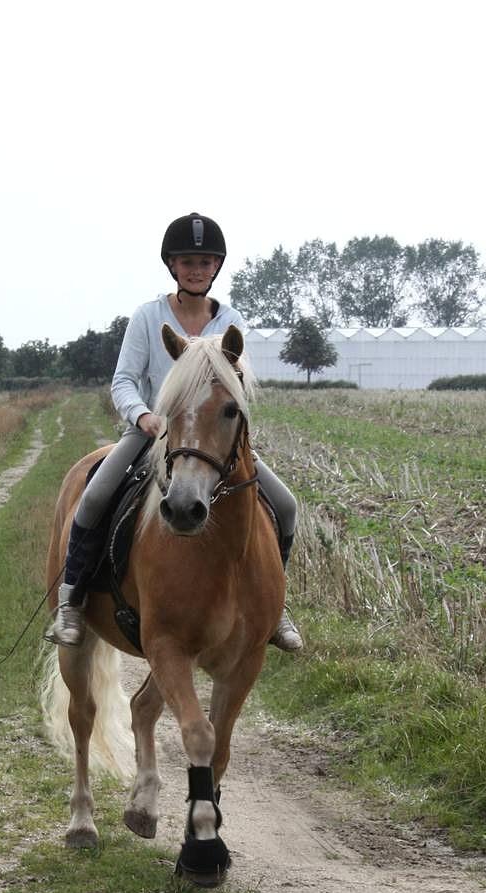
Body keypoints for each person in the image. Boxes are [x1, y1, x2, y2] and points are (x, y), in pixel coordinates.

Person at [50, 212, 303, 652]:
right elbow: (124, 379)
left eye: (205, 262)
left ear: (216, 267)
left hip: (212, 439)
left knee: (286, 504)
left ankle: (274, 608)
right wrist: (143, 415)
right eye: (187, 262)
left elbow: (238, 385)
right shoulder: (148, 317)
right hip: (153, 433)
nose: (196, 270)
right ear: (172, 266)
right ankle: (72, 598)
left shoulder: (231, 320)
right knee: (92, 497)